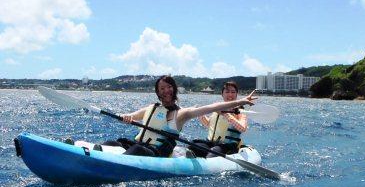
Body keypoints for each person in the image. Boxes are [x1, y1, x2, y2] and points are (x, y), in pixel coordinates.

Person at [101, 75, 257, 157]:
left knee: (136, 149)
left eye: (169, 87)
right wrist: (126, 117)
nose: (166, 91)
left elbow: (213, 107)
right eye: (162, 88)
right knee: (113, 142)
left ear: (174, 90)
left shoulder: (181, 113)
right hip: (139, 145)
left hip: (155, 152)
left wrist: (242, 100)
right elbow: (132, 115)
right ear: (157, 92)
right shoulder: (152, 107)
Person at [189, 81, 250, 158]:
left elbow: (242, 128)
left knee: (214, 151)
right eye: (227, 92)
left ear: (236, 94)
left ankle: (207, 160)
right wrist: (200, 114)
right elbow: (208, 124)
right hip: (210, 143)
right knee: (192, 145)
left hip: (227, 146)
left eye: (233, 92)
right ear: (222, 94)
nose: (230, 94)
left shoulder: (240, 111)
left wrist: (225, 114)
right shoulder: (218, 107)